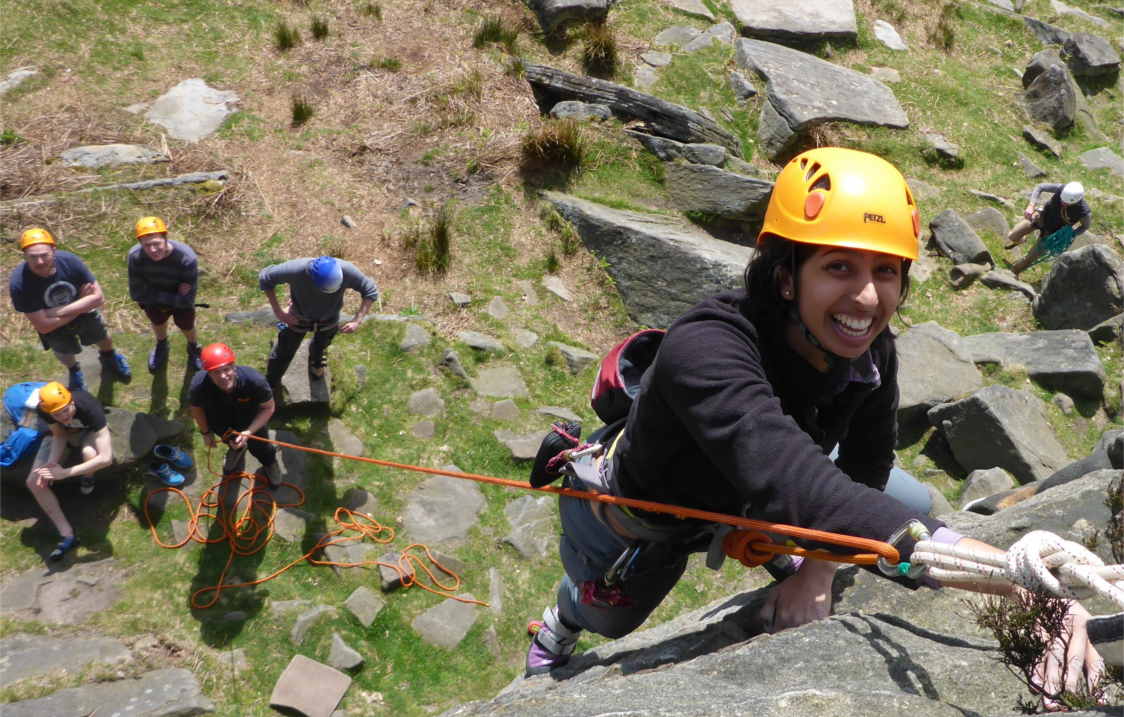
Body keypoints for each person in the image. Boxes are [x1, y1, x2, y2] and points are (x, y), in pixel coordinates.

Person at [524, 148, 1103, 700]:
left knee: (910, 498)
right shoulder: (704, 348)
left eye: (886, 270)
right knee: (611, 619)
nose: (868, 297)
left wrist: (818, 572)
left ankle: (812, 543)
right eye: (839, 266)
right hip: (647, 511)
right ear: (785, 274)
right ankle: (560, 621)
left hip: (769, 484)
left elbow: (868, 464)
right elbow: (804, 488)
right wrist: (1023, 586)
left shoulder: (871, 352)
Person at [8, 228, 131, 391]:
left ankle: (110, 355)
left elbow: (99, 298)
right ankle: (74, 371)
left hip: (75, 316)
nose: (40, 262)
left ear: (54, 250)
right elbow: (44, 326)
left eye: (44, 255)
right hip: (65, 320)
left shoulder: (70, 261)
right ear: (24, 255)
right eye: (33, 257)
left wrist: (53, 313)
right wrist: (82, 303)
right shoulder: (19, 283)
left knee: (103, 336)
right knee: (63, 351)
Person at [258, 256, 379, 386]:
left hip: (329, 318)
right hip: (298, 318)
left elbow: (370, 290)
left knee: (322, 343)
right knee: (284, 351)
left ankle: (316, 357)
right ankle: (270, 383)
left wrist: (357, 321)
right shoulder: (295, 270)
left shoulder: (346, 270)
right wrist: (278, 311)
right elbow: (266, 278)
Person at [26, 382, 113, 562]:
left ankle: (88, 477)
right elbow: (59, 434)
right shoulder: (44, 409)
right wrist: (52, 463)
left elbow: (106, 458)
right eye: (56, 414)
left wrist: (66, 472)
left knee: (90, 454)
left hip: (88, 433)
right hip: (65, 436)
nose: (64, 417)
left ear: (72, 400)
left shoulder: (89, 407)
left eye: (66, 410)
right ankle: (67, 535)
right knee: (34, 482)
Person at [188, 343, 282, 487]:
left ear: (234, 366)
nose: (223, 376)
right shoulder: (199, 386)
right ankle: (236, 448)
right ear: (208, 373)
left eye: (226, 369)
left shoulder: (255, 381)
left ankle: (270, 463)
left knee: (261, 447)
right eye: (216, 372)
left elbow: (268, 408)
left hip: (251, 421)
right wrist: (206, 432)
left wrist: (248, 432)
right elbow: (197, 409)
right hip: (220, 422)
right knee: (231, 441)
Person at [127, 216, 203, 372]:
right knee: (158, 323)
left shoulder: (187, 258)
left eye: (157, 243)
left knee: (187, 325)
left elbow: (188, 301)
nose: (153, 250)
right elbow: (136, 294)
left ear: (166, 238)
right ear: (140, 243)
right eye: (147, 245)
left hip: (161, 301)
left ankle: (193, 346)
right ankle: (162, 344)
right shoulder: (135, 256)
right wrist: (176, 296)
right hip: (155, 304)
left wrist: (149, 292)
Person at [1005, 182, 1091, 276]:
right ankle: (1020, 240)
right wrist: (1031, 205)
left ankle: (1012, 273)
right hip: (1041, 217)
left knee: (1030, 257)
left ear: (1076, 201)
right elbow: (1040, 187)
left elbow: (1085, 226)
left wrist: (1072, 233)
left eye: (1066, 203)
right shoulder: (1061, 188)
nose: (1062, 202)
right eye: (1062, 199)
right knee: (1012, 236)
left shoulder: (1083, 213)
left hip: (1052, 234)